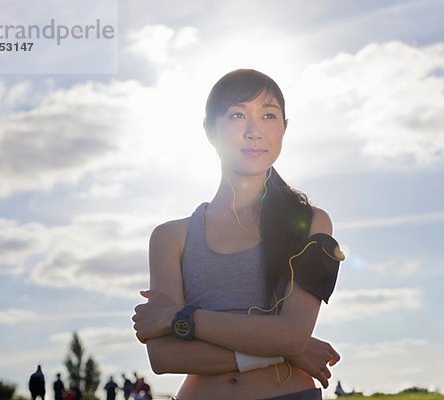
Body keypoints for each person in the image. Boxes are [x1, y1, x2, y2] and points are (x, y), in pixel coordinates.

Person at [132, 69, 344, 400]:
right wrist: (280, 348)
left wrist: (179, 317)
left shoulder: (311, 223)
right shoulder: (170, 237)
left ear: (284, 128)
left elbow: (291, 336)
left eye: (269, 115)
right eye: (237, 115)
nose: (254, 130)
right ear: (209, 130)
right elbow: (164, 357)